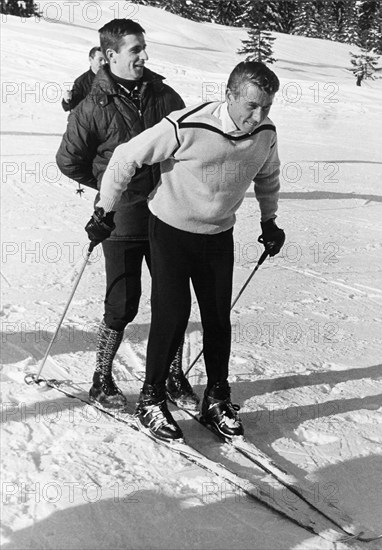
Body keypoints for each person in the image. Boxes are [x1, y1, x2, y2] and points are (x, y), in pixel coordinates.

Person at [86, 61, 286, 442]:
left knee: (217, 319)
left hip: (217, 233)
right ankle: (150, 398)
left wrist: (269, 222)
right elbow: (127, 156)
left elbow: (268, 176)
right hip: (172, 230)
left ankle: (216, 396)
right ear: (229, 95)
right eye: (251, 105)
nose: (257, 116)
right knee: (172, 315)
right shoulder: (187, 124)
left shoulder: (265, 133)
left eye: (266, 107)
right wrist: (104, 209)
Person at [56, 19, 199, 413]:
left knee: (173, 300)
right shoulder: (90, 107)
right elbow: (69, 161)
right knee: (122, 304)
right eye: (135, 49)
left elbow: (187, 142)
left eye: (144, 47)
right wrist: (109, 185)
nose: (144, 56)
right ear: (111, 54)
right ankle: (101, 377)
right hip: (121, 219)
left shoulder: (164, 95)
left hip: (168, 213)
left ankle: (171, 374)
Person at [61, 46, 106, 112]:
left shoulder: (113, 76)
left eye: (105, 60)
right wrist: (67, 100)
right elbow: (73, 105)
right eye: (100, 60)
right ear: (90, 60)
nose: (104, 63)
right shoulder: (81, 82)